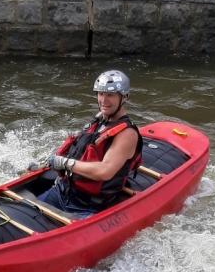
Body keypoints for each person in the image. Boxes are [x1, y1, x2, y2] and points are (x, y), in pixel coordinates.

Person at [37, 70, 143, 218]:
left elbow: (104, 171)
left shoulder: (127, 134)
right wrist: (45, 165)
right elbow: (77, 150)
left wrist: (64, 162)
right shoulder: (100, 120)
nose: (103, 100)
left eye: (110, 95)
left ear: (124, 97)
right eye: (101, 94)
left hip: (89, 207)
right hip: (63, 192)